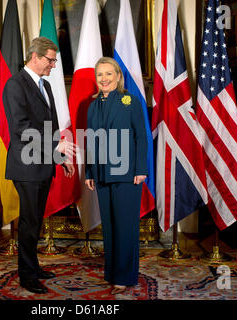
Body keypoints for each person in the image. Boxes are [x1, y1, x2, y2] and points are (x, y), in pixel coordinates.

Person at [3, 37, 76, 294]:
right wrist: (56, 149)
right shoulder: (15, 85)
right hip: (27, 166)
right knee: (29, 221)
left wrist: (60, 159)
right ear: (35, 56)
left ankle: (33, 267)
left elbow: (52, 129)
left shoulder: (44, 85)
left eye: (54, 60)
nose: (53, 65)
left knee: (36, 221)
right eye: (50, 60)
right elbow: (21, 128)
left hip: (44, 163)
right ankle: (27, 275)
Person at [85, 57, 148, 295]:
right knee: (110, 226)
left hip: (127, 173)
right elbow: (91, 139)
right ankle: (112, 273)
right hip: (101, 173)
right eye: (100, 75)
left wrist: (141, 169)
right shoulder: (92, 106)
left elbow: (140, 136)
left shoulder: (129, 101)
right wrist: (89, 171)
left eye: (108, 74)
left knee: (125, 225)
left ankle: (125, 275)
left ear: (118, 76)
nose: (104, 79)